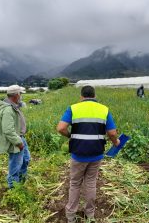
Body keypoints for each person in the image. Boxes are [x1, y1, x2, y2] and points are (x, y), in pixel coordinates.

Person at [57, 85, 120, 223]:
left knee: (75, 184)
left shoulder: (73, 108)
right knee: (91, 183)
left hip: (78, 153)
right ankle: (90, 214)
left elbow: (61, 128)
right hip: (96, 153)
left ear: (81, 96)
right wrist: (116, 142)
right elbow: (112, 133)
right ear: (94, 95)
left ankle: (71, 216)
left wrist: (71, 136)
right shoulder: (104, 109)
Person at [0, 85, 30, 188]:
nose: (21, 96)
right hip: (16, 140)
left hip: (21, 137)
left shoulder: (14, 106)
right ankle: (13, 187)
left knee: (26, 159)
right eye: (20, 94)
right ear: (17, 95)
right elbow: (8, 130)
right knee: (15, 164)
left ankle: (22, 180)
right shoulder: (8, 110)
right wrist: (18, 143)